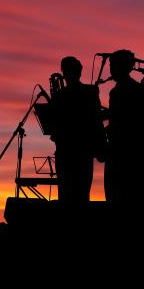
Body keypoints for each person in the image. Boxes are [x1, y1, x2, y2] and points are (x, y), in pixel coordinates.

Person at [104, 49, 144, 227]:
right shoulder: (127, 88)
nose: (110, 69)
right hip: (126, 151)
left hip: (122, 152)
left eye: (112, 65)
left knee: (118, 200)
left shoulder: (123, 90)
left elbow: (125, 120)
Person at [50, 56, 106, 203]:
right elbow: (97, 120)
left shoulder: (61, 95)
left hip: (67, 152)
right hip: (82, 152)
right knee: (81, 195)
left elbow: (96, 120)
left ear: (65, 72)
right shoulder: (90, 92)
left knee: (66, 195)